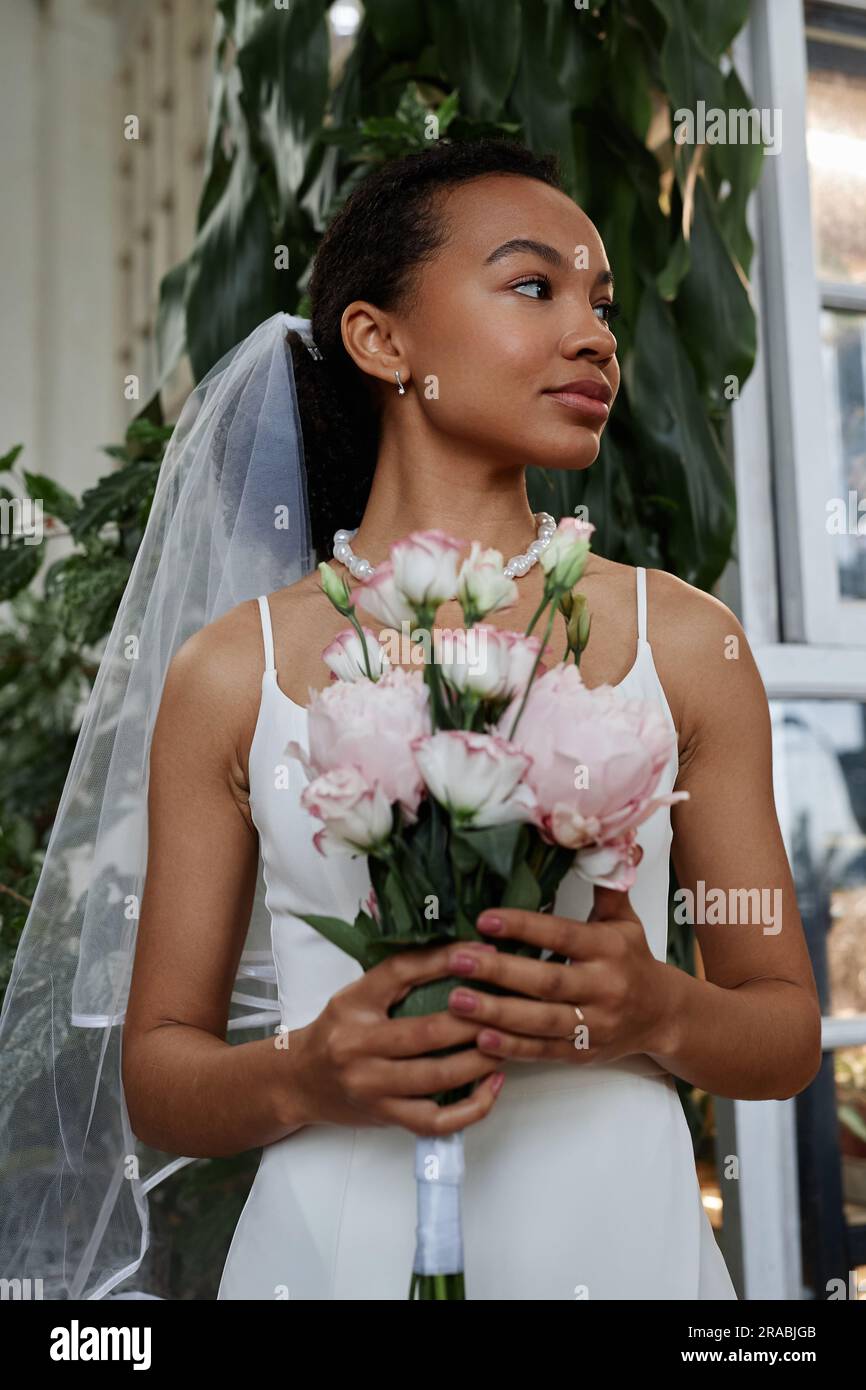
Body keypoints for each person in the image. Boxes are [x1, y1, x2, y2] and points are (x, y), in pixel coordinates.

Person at [6, 138, 823, 1300]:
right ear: (380, 339)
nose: (593, 334)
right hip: (334, 1252)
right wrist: (312, 1071)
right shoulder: (233, 670)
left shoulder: (683, 643)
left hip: (620, 1249)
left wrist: (657, 1009)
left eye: (600, 301)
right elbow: (161, 1072)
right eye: (533, 286)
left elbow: (784, 1032)